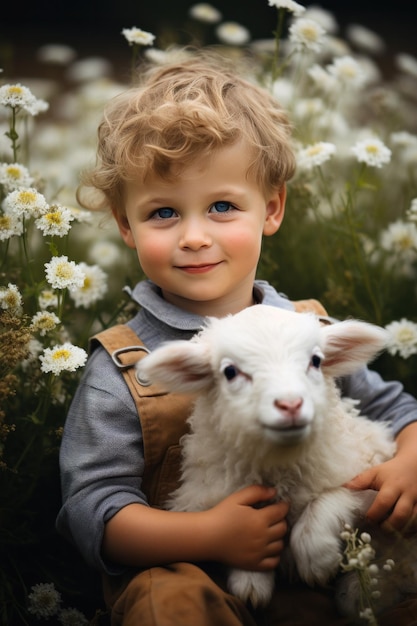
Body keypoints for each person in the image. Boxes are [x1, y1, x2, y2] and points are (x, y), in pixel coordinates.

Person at [56, 50, 417, 626]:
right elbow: (92, 508)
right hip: (195, 573)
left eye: (222, 206)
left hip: (338, 563)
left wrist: (411, 461)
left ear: (271, 208)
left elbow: (395, 409)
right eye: (163, 213)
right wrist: (209, 534)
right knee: (165, 601)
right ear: (125, 224)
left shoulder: (310, 330)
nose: (195, 237)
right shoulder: (122, 367)